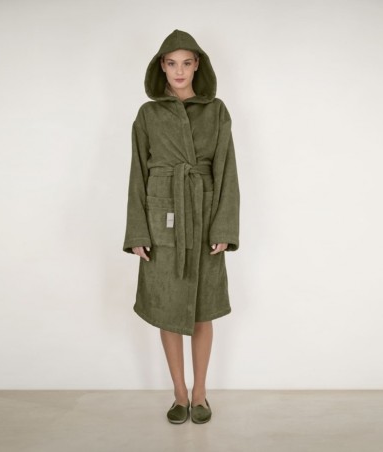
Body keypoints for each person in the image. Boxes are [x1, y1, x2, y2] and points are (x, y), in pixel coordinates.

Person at [123, 29, 240, 424]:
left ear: (197, 65)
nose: (179, 71)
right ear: (161, 66)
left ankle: (200, 394)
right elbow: (137, 174)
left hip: (204, 219)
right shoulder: (148, 114)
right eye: (172, 63)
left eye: (186, 63)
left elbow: (226, 171)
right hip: (161, 222)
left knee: (203, 310)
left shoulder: (216, 111)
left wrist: (224, 227)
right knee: (167, 308)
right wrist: (138, 232)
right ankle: (178, 395)